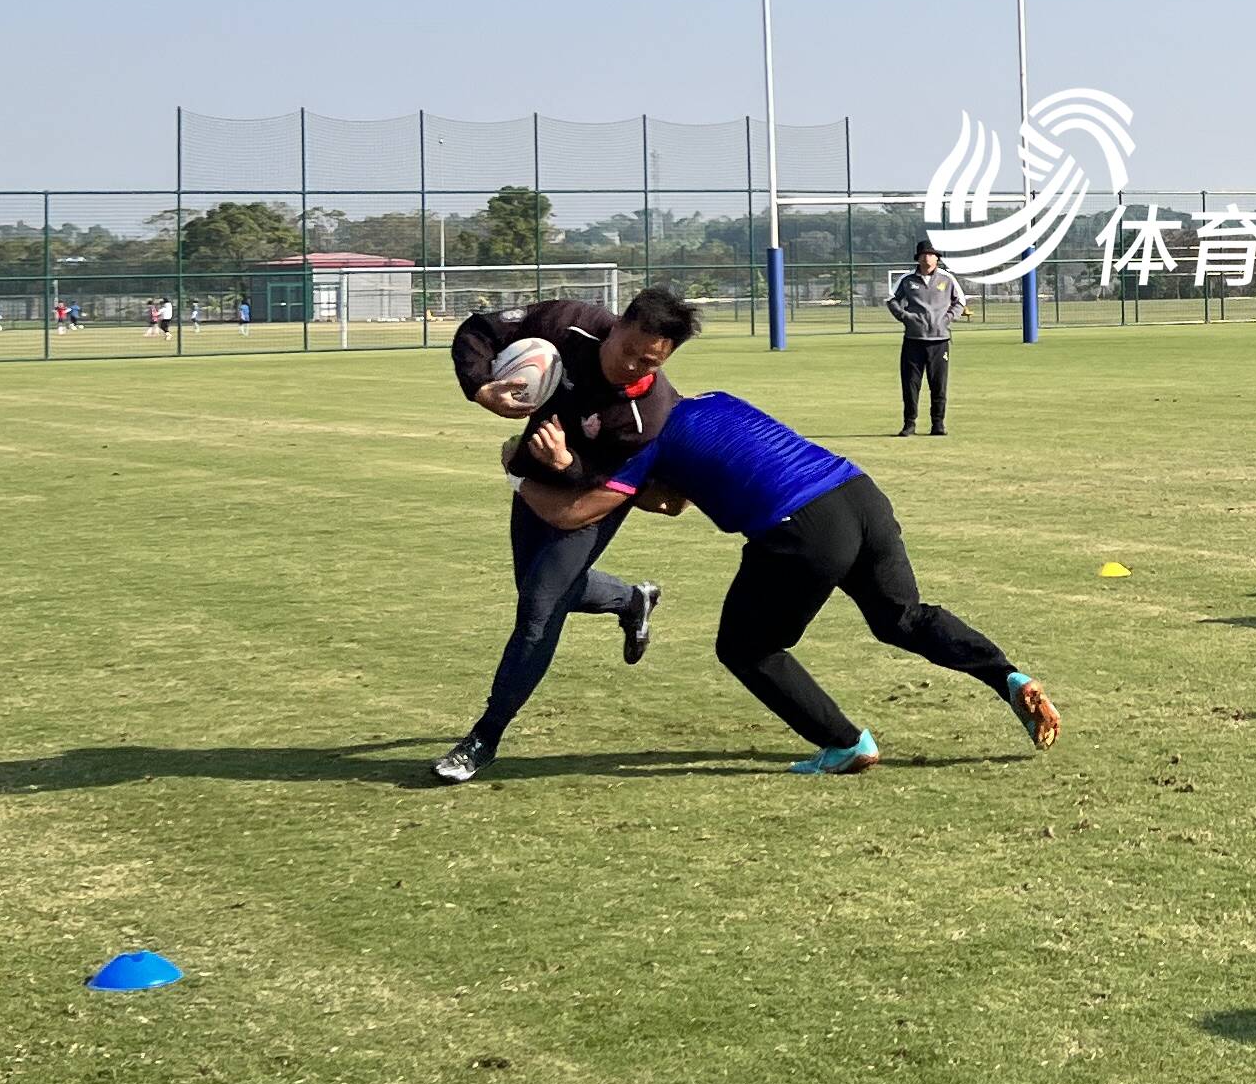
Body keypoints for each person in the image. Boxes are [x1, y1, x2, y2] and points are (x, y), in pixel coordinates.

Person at [525, 390, 1057, 771]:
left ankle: (845, 742)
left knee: (746, 647)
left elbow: (581, 513)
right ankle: (1006, 677)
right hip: (858, 493)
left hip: (802, 526)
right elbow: (678, 497)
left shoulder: (647, 445)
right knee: (902, 618)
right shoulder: (715, 403)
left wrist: (545, 470)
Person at [427, 285, 697, 784]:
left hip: (589, 497)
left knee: (538, 611)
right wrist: (481, 385)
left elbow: (613, 489)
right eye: (629, 352)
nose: (635, 367)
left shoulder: (646, 416)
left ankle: (484, 737)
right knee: (533, 588)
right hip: (534, 479)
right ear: (615, 325)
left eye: (651, 362)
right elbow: (479, 330)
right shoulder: (567, 322)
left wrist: (570, 466)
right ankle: (630, 599)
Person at [883, 240, 971, 436]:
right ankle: (909, 424)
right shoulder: (908, 280)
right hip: (913, 340)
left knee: (938, 384)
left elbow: (960, 302)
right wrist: (905, 317)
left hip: (939, 341)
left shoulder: (947, 279)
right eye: (923, 254)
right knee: (911, 384)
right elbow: (891, 300)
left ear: (937, 258)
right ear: (918, 257)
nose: (927, 257)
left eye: (931, 254)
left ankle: (938, 424)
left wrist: (947, 319)